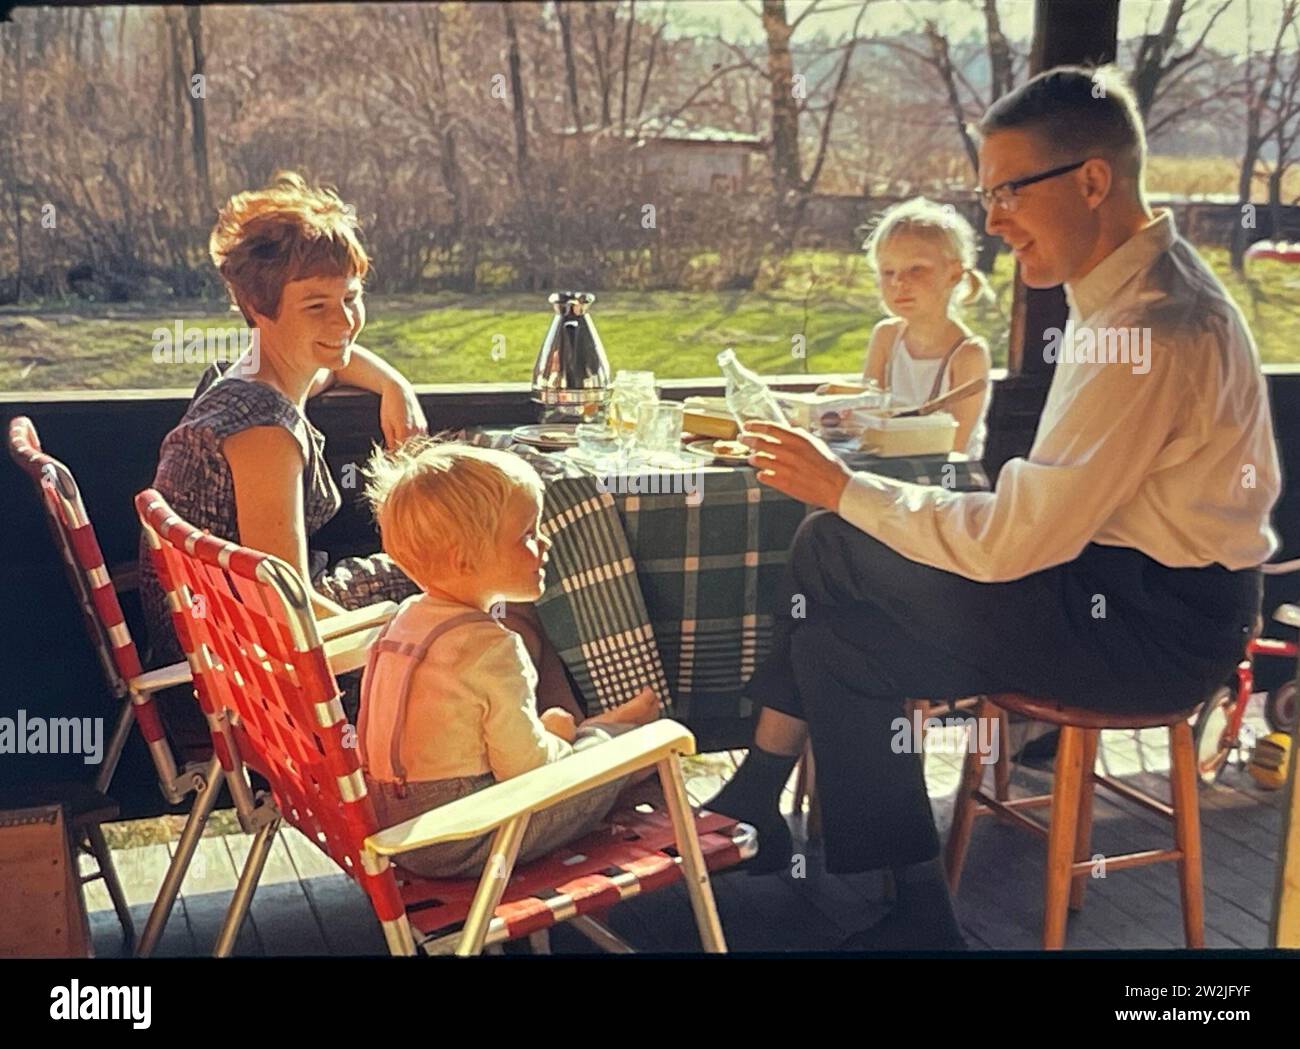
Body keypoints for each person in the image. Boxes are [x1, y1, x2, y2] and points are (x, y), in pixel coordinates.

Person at [705, 65, 1281, 950]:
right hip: (1109, 588)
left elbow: (1015, 541)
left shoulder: (1151, 326)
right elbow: (1040, 526)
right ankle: (903, 901)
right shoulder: (1130, 292)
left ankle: (770, 798)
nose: (993, 219)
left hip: (1155, 629)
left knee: (833, 538)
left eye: (1009, 190)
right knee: (836, 635)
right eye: (987, 194)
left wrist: (845, 485)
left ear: (1093, 180)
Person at [138, 172, 582, 752]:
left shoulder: (249, 376)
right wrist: (414, 642)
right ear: (256, 306)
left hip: (209, 638)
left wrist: (392, 383)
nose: (343, 322)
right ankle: (558, 765)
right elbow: (286, 606)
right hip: (249, 677)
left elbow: (333, 361)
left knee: (477, 576)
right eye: (317, 305)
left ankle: (558, 747)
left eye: (351, 298)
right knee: (496, 585)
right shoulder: (264, 435)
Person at [357, 440, 659, 877]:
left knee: (564, 739)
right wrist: (556, 744)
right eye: (527, 535)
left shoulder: (404, 620)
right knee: (618, 756)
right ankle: (613, 741)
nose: (545, 542)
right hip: (469, 835)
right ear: (463, 560)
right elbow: (527, 771)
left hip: (392, 823)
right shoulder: (491, 647)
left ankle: (588, 731)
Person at [861, 197, 993, 459]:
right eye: (888, 272)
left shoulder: (968, 355)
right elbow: (867, 412)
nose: (899, 282)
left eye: (916, 269)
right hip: (888, 472)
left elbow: (953, 447)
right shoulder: (887, 337)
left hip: (947, 482)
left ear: (953, 274)